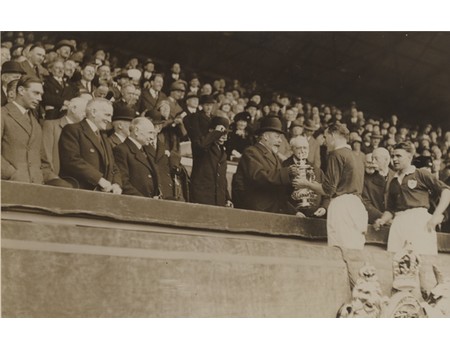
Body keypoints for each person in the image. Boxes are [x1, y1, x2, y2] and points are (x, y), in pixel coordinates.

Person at [293, 123, 368, 249]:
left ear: (333, 136)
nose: (324, 142)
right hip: (357, 206)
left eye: (326, 137)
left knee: (338, 249)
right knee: (354, 249)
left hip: (342, 207)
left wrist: (306, 183)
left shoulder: (336, 154)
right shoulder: (357, 157)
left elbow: (328, 189)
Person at [374, 142, 450, 255]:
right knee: (397, 261)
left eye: (398, 156)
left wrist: (435, 216)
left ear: (409, 156)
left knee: (420, 261)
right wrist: (382, 220)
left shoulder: (420, 174)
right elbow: (391, 209)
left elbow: (446, 191)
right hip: (398, 224)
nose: (394, 159)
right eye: (393, 156)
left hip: (419, 222)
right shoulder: (393, 181)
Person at [1, 75, 67, 186]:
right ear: (21, 90)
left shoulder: (35, 123)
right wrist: (12, 174)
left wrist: (54, 179)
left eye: (41, 94)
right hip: (9, 187)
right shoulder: (2, 114)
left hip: (35, 187)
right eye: (36, 93)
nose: (40, 99)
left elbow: (43, 162)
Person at [232, 117, 296, 214]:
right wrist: (287, 172)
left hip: (271, 210)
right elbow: (259, 177)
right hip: (256, 211)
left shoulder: (274, 156)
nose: (280, 141)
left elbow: (278, 188)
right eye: (277, 137)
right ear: (265, 136)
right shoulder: (251, 152)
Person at [59, 98, 122, 193]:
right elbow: (72, 160)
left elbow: (113, 165)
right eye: (107, 115)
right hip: (79, 192)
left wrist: (117, 184)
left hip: (102, 194)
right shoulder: (73, 130)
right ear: (93, 112)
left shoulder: (104, 136)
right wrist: (99, 179)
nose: (109, 120)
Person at [282, 135, 329, 218]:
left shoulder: (317, 170)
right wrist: (294, 212)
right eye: (299, 148)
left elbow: (326, 194)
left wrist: (324, 208)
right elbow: (279, 195)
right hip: (292, 217)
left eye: (305, 148)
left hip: (315, 217)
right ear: (292, 149)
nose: (303, 151)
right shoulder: (284, 168)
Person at [113, 117, 160, 198]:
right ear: (136, 131)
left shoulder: (148, 151)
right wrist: (145, 201)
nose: (152, 137)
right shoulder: (121, 150)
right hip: (135, 203)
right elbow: (123, 181)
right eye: (150, 133)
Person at [190, 116, 232, 207]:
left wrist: (227, 197)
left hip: (218, 200)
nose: (224, 136)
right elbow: (201, 146)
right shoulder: (201, 145)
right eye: (222, 133)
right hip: (202, 198)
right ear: (211, 131)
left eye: (226, 133)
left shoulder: (222, 151)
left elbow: (222, 178)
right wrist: (216, 132)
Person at [42, 97, 88, 175]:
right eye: (85, 111)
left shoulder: (85, 131)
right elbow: (46, 154)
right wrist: (51, 177)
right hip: (57, 177)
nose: (86, 115)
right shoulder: (51, 125)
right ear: (73, 109)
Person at [362, 147, 395, 224]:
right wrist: (384, 219)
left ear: (386, 160)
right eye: (372, 158)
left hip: (394, 222)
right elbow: (366, 203)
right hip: (375, 222)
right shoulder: (366, 179)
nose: (373, 161)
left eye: (376, 159)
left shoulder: (396, 177)